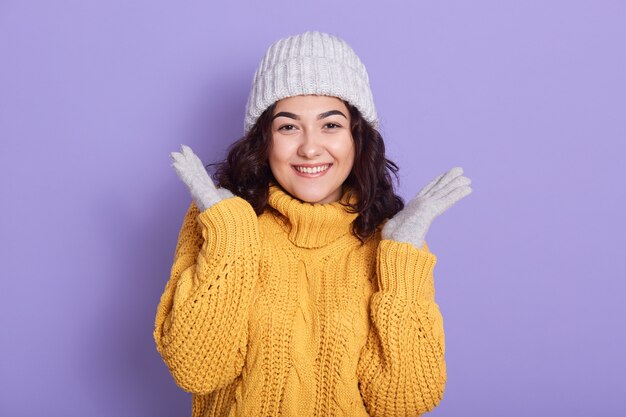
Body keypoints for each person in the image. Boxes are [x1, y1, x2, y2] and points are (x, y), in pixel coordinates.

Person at [154, 31, 472, 417]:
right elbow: (197, 371)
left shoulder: (391, 247)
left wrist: (402, 257)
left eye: (331, 125)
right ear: (264, 140)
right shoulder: (224, 220)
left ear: (357, 137)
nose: (309, 146)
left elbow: (404, 401)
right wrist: (231, 233)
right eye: (288, 126)